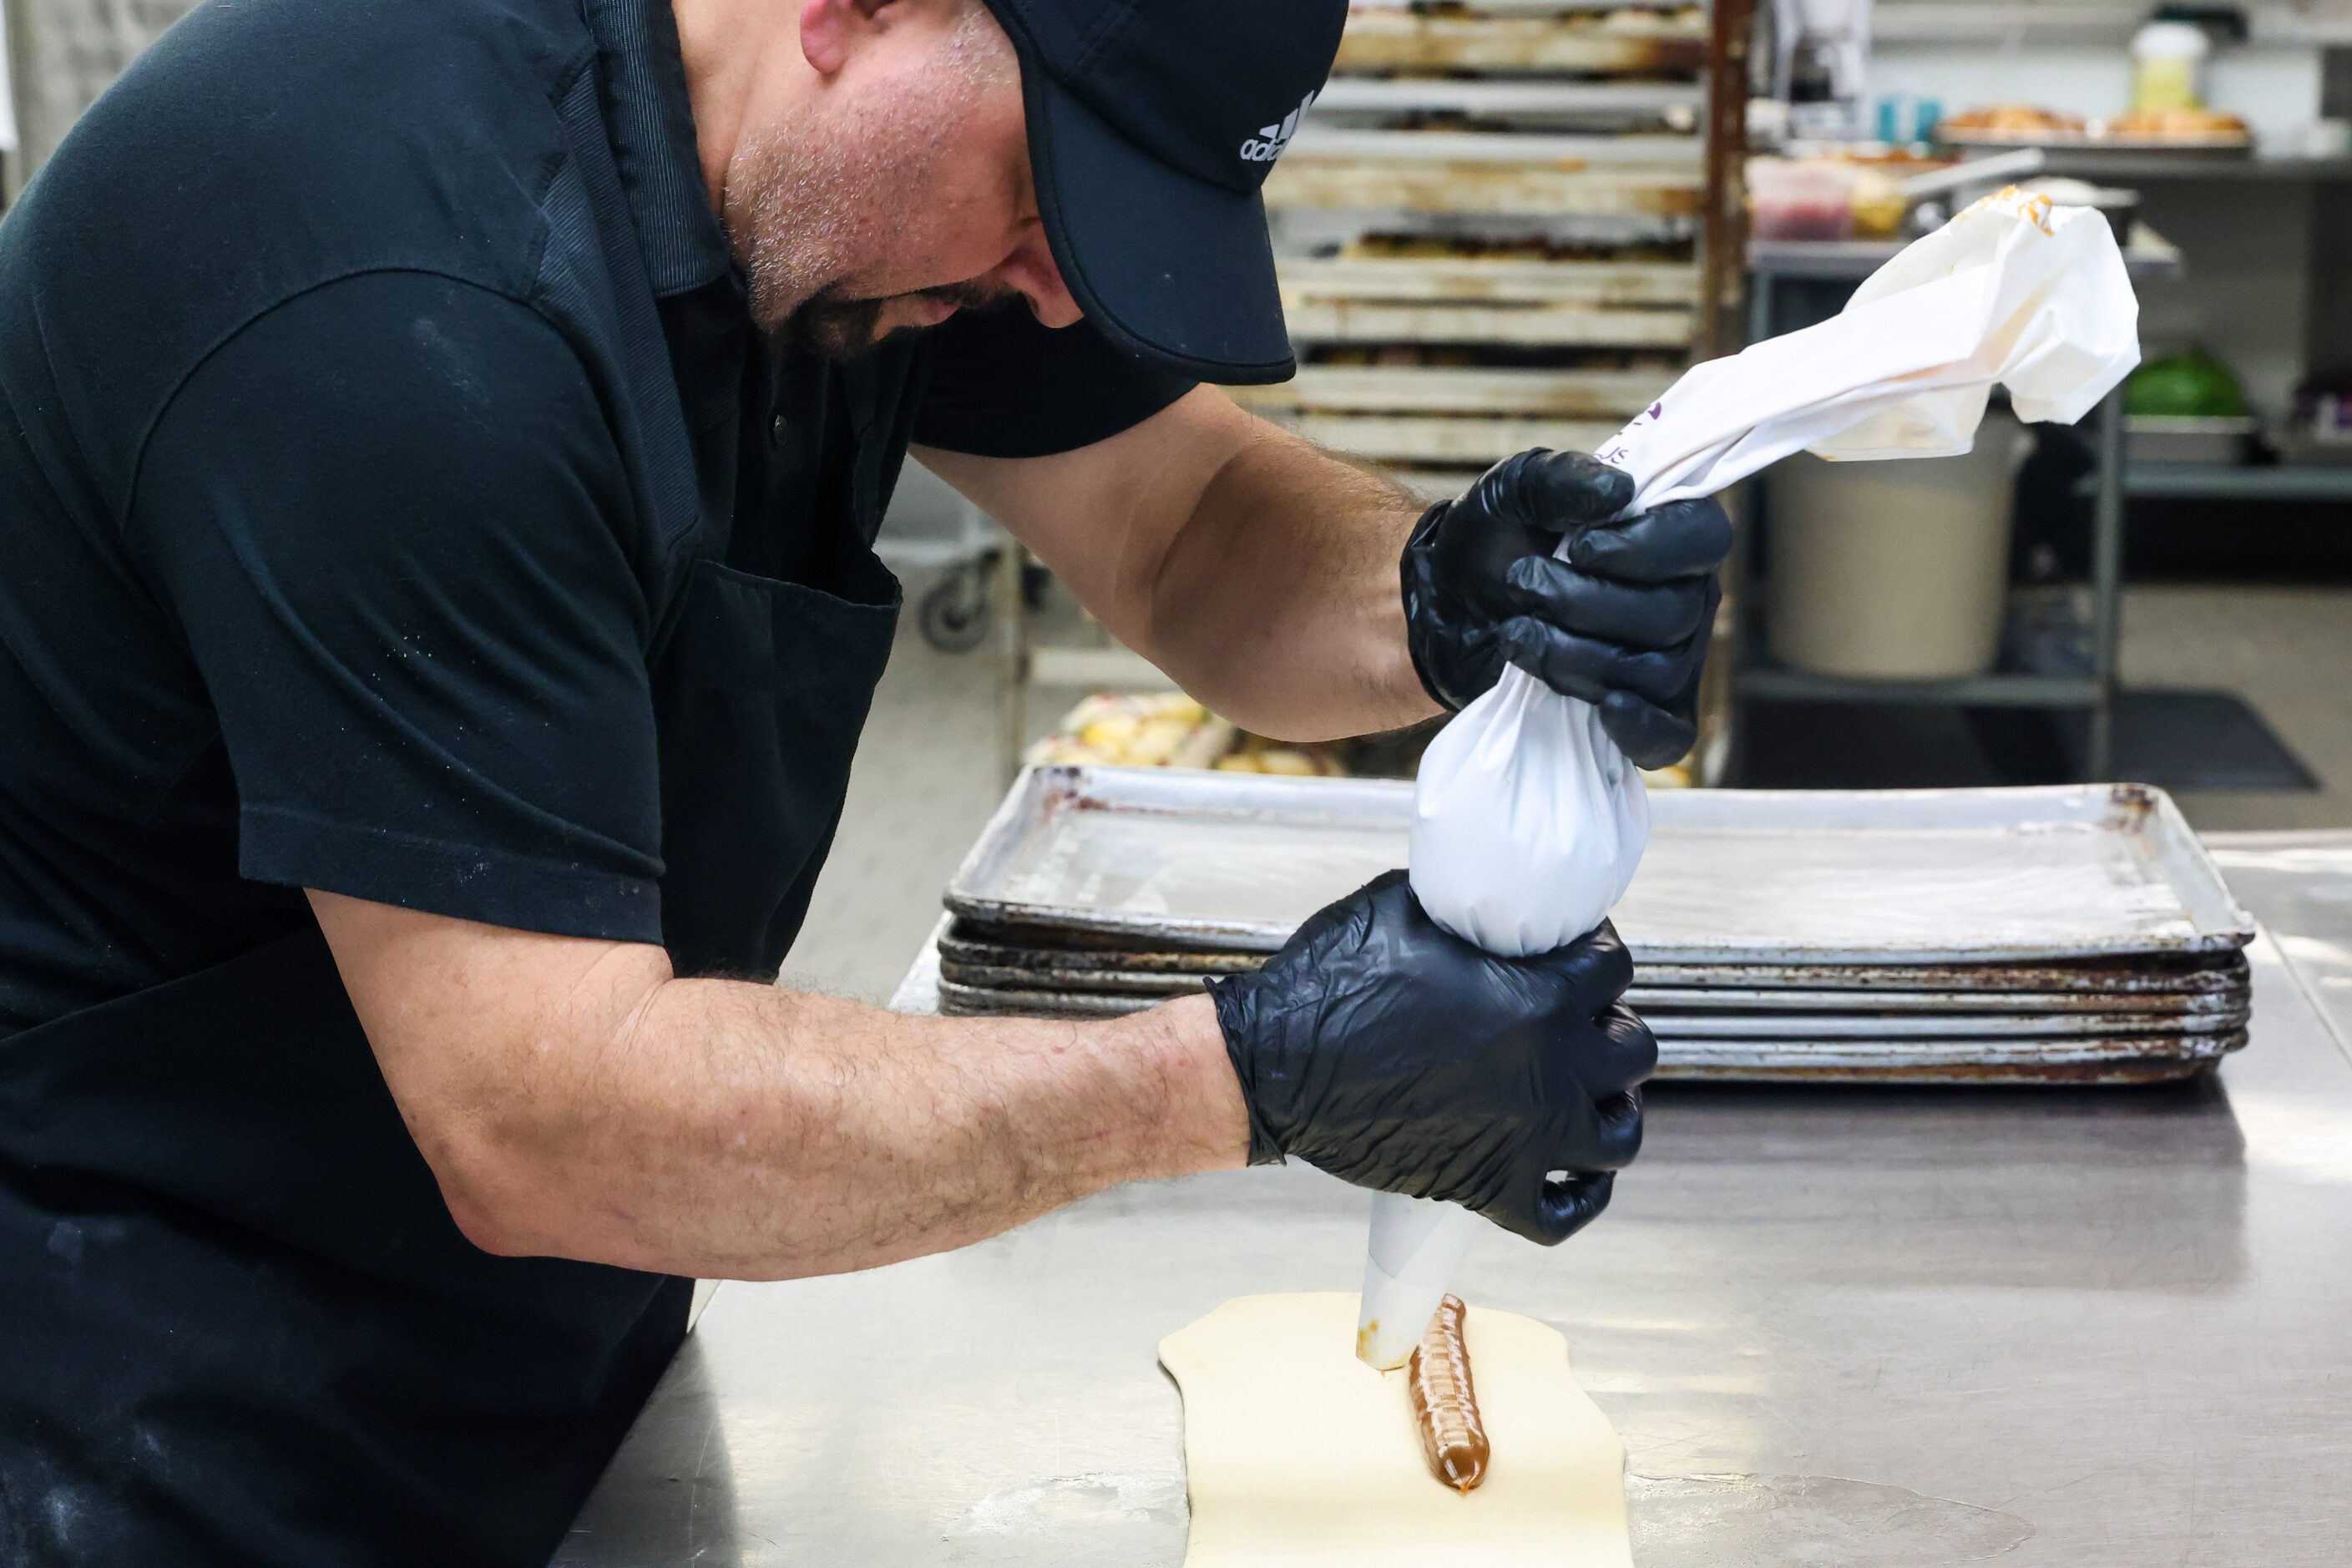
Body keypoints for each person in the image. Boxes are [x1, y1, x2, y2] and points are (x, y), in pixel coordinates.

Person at [0, 0, 1730, 1560]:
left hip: (537, 1347)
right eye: (1052, 200)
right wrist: (1247, 1071)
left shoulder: (865, 179)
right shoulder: (400, 299)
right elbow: (544, 1115)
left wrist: (1439, 589)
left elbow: (1175, 519)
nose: (1057, 290)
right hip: (146, 1408)